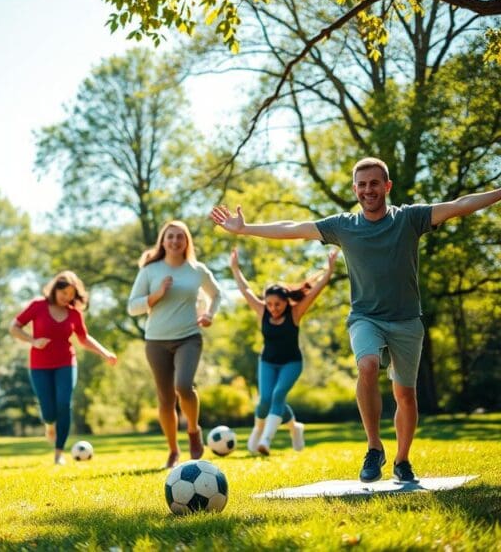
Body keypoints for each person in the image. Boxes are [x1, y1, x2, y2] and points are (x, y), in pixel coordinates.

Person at [211, 157, 501, 483]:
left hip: (407, 321)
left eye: (374, 183)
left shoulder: (409, 218)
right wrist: (247, 229)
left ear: (386, 186)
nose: (368, 190)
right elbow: (296, 228)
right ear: (355, 189)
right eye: (361, 185)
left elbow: (459, 205)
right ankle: (374, 447)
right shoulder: (344, 225)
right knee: (366, 365)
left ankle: (402, 460)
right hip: (365, 317)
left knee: (405, 395)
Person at [127, 220, 222, 469]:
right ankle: (172, 450)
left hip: (189, 337)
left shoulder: (197, 270)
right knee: (166, 399)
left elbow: (217, 294)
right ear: (163, 241)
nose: (175, 241)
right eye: (170, 237)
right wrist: (156, 295)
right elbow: (132, 307)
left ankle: (193, 430)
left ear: (186, 241)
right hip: (156, 341)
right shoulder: (150, 270)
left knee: (183, 386)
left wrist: (209, 314)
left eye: (180, 237)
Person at [230, 248, 338, 456]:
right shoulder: (262, 311)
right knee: (265, 400)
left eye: (277, 304)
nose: (273, 308)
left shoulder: (295, 313)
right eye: (269, 304)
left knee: (278, 394)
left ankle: (266, 441)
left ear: (286, 301)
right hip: (267, 362)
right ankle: (289, 428)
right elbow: (245, 291)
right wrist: (235, 269)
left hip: (291, 363)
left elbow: (315, 291)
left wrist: (329, 271)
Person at [9, 271, 117, 466]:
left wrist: (105, 353)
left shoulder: (74, 313)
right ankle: (50, 425)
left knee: (64, 404)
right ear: (55, 289)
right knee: (49, 411)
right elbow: (14, 327)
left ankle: (58, 454)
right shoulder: (38, 306)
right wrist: (33, 340)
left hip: (66, 363)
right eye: (63, 292)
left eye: (70, 294)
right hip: (39, 366)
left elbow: (84, 338)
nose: (66, 297)